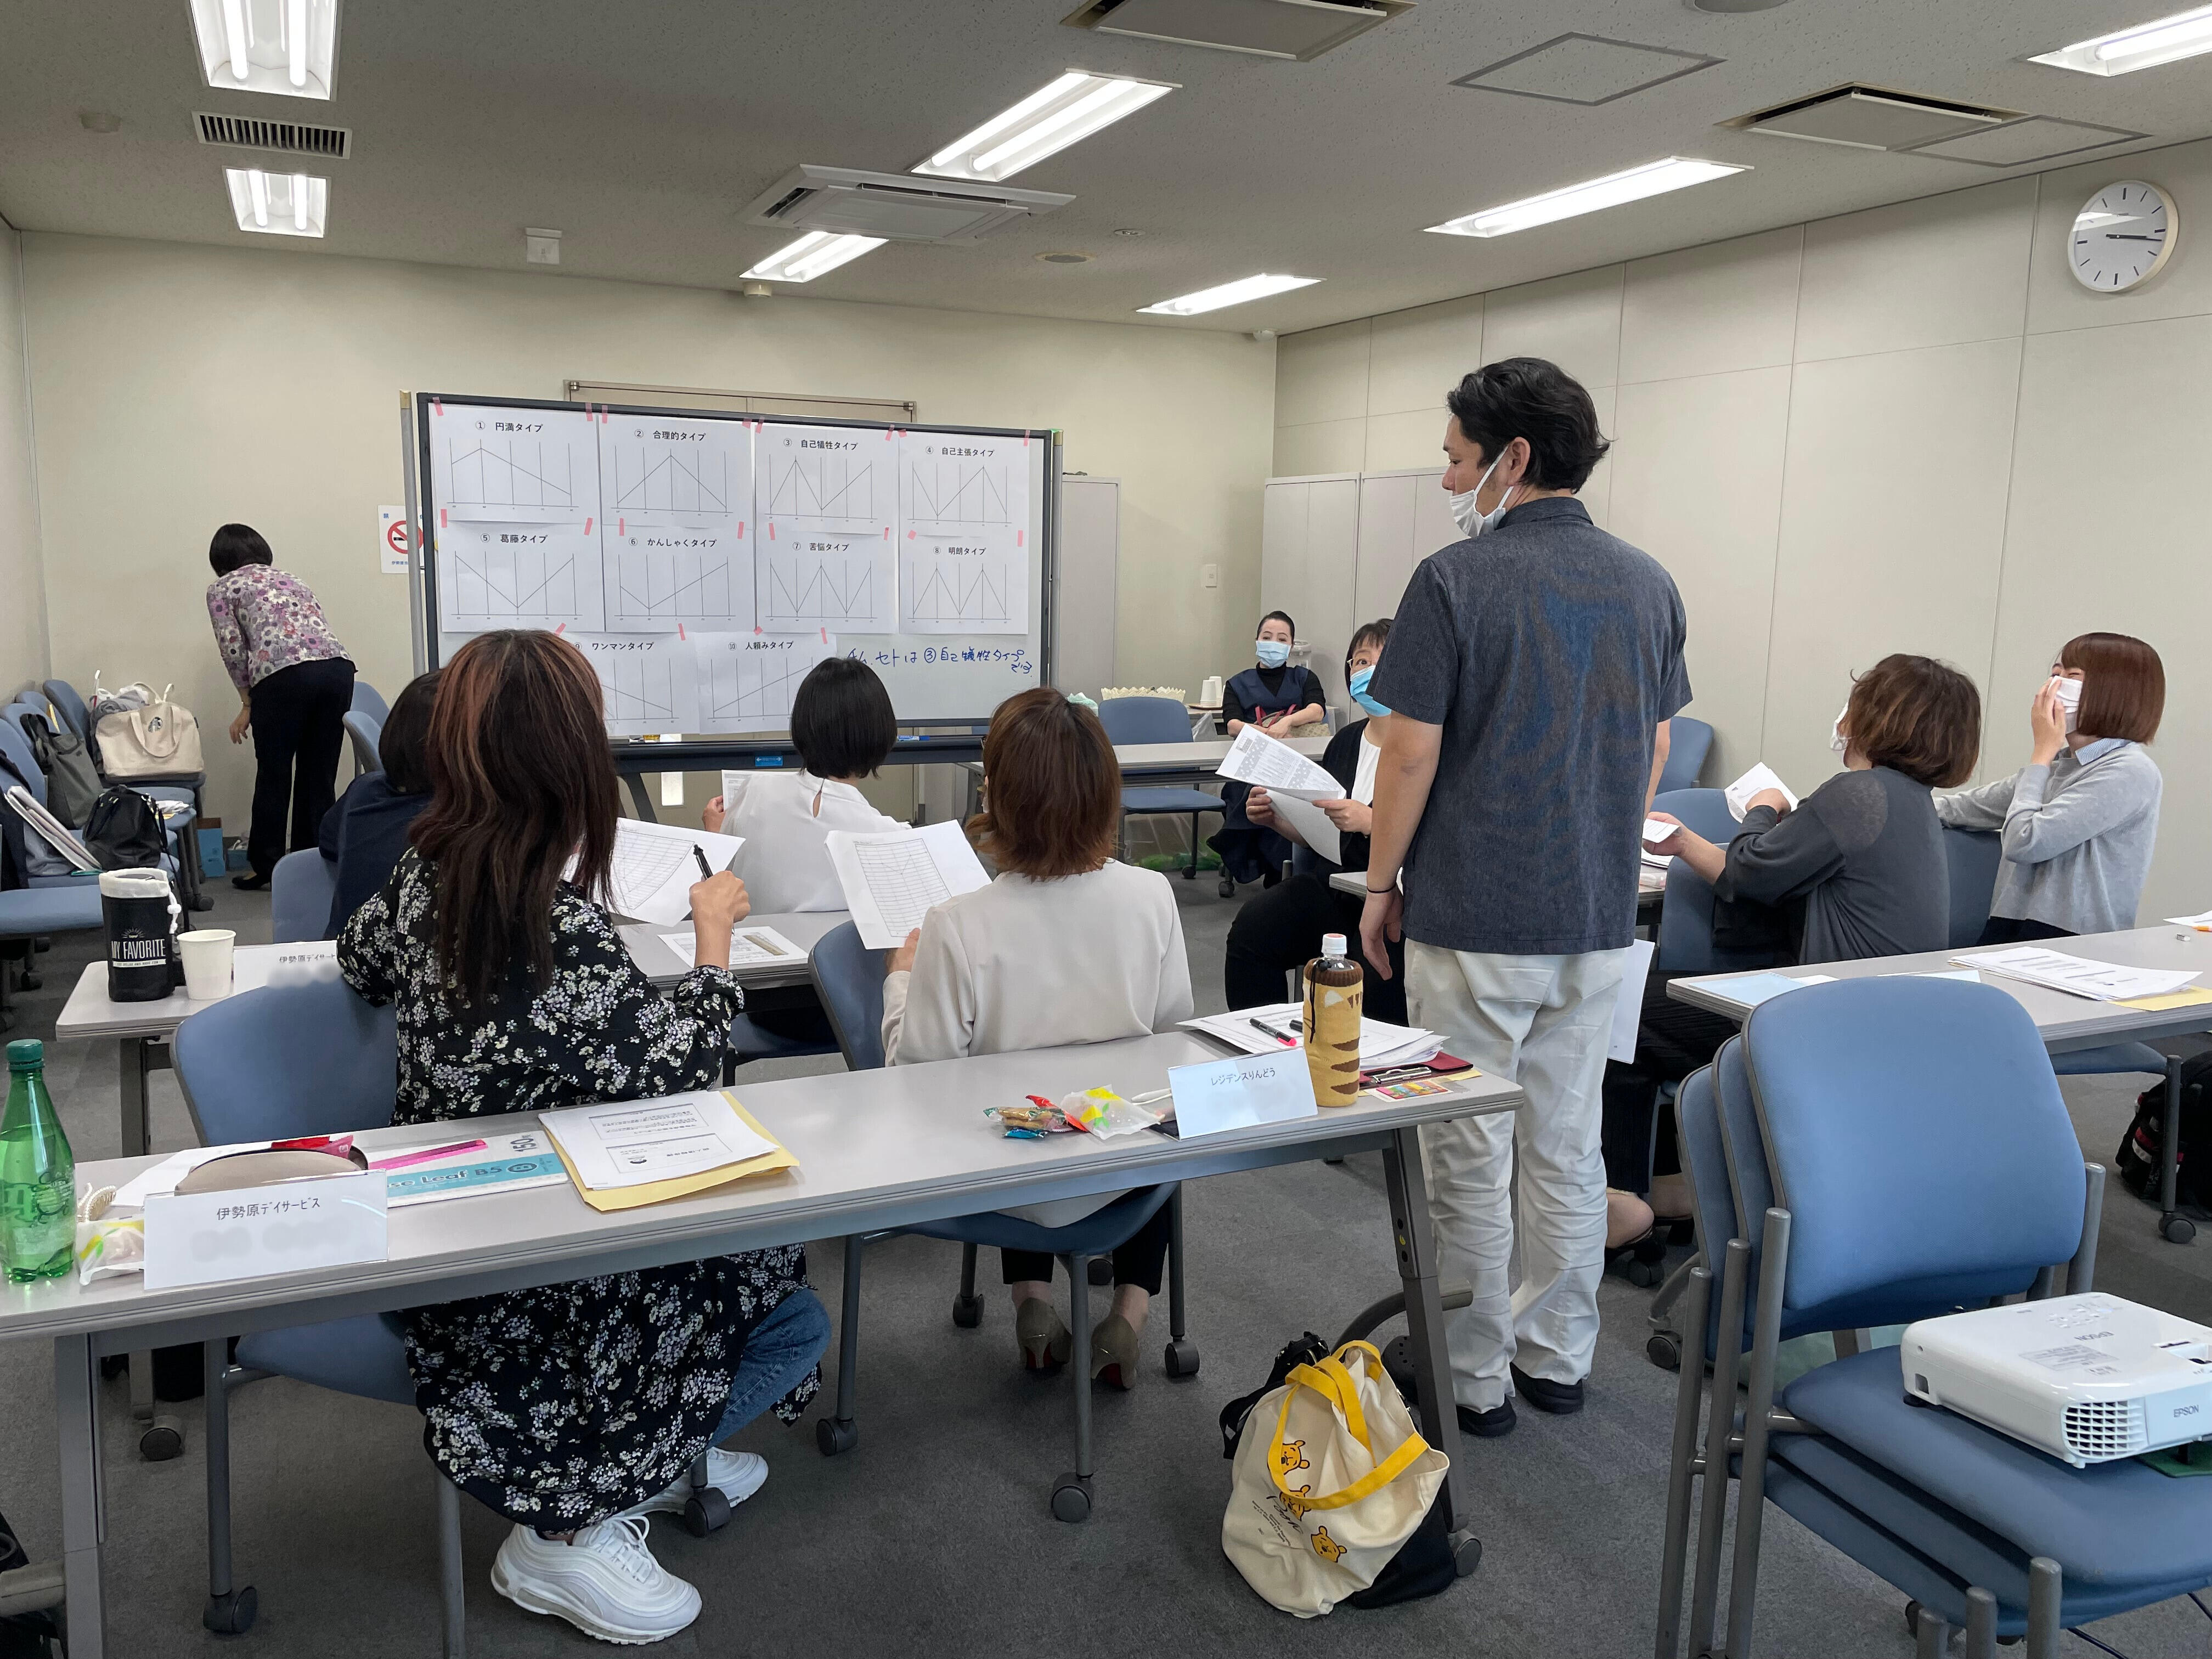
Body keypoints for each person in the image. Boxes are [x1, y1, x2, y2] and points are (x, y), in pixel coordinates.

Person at [338, 630, 827, 1646]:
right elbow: (689, 1063)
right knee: (790, 1306)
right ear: (571, 766)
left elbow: (360, 961)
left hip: (445, 1225)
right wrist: (712, 940)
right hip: (534, 1276)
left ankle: (646, 1459)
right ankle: (573, 1516)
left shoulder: (428, 873)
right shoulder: (556, 932)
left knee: (748, 1265)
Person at [1358, 357, 1689, 1438]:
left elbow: (1408, 753)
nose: (1449, 481)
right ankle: (1557, 1357)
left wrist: (1379, 883)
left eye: (1458, 459)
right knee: (1565, 1145)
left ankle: (1472, 1375)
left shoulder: (1453, 581)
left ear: (1513, 457)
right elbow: (1655, 744)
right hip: (1595, 919)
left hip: (1476, 915)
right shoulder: (1650, 583)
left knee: (1468, 1151)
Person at [881, 687, 1193, 1388]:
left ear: (997, 795)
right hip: (1124, 1172)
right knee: (1148, 1116)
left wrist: (900, 981)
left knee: (1013, 1116)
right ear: (1105, 793)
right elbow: (1174, 1038)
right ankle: (1129, 1315)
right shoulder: (1152, 897)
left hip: (1012, 1180)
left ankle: (1032, 1306)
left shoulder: (958, 924)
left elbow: (918, 1076)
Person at [1610, 654, 1982, 1219]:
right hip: (1876, 1016)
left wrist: (1763, 808)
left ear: (1876, 716)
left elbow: (1749, 871)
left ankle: (1622, 1199)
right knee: (1652, 999)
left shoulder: (1859, 794)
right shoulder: (1912, 804)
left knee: (1622, 1004)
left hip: (1822, 1020)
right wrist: (1687, 843)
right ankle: (1668, 1185)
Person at [1224, 618, 1407, 1023]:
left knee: (1373, 978)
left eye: (1381, 660)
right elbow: (1325, 835)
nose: (1368, 671)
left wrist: (1372, 821)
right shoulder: (1346, 742)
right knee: (1254, 930)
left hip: (1396, 896)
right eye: (1360, 662)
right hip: (1335, 885)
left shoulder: (1424, 748)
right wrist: (1278, 819)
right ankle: (1266, 1043)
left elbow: (1435, 836)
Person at [1936, 633, 2164, 943]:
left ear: (2115, 691)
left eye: (2072, 676)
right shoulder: (2061, 764)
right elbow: (1966, 808)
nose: (2055, 686)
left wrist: (2042, 753)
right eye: (2055, 674)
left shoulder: (2129, 770)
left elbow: (2025, 841)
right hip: (2010, 924)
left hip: (2074, 940)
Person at [204, 523, 356, 890]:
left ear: (220, 559)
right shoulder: (291, 579)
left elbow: (233, 649)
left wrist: (246, 701)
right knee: (319, 775)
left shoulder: (222, 588)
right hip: (337, 670)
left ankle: (267, 866)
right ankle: (313, 862)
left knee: (274, 774)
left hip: (282, 675)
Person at [701, 657, 901, 911]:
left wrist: (715, 836)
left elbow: (718, 881)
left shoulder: (755, 790)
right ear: (882, 732)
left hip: (749, 935)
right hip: (834, 940)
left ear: (802, 725)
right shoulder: (890, 837)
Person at [1211, 610, 1327, 891]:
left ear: (1291, 645)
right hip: (1252, 762)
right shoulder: (1237, 683)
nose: (1274, 643)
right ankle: (1264, 864)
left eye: (1282, 639)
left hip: (1295, 765)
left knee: (1284, 796)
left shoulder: (1304, 678)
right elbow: (1232, 723)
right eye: (1267, 637)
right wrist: (1261, 733)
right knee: (1254, 793)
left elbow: (1317, 710)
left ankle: (1273, 867)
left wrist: (1287, 722)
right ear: (1257, 641)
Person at [318, 669, 437, 938]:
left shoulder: (363, 789)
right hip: (400, 959)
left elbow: (328, 842)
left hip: (340, 952)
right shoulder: (463, 820)